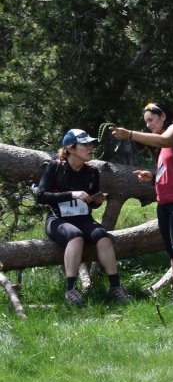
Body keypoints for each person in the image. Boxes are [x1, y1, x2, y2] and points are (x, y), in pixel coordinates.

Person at [112, 103, 173, 305]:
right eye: (145, 122)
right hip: (166, 203)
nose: (148, 125)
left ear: (163, 115)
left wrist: (129, 134)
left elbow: (165, 141)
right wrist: (154, 177)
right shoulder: (164, 147)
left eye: (151, 120)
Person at [34, 129, 131, 306]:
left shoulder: (92, 171)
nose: (90, 147)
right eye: (85, 144)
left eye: (91, 144)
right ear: (70, 149)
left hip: (84, 219)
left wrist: (97, 201)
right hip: (58, 220)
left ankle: (115, 287)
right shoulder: (55, 167)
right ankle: (71, 289)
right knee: (75, 236)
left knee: (103, 236)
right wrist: (71, 194)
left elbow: (90, 202)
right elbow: (40, 197)